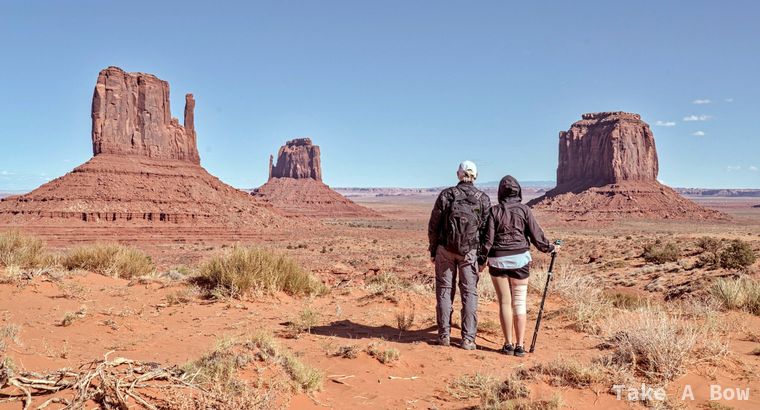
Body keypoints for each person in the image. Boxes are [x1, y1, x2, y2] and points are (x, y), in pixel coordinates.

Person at [479, 175, 558, 357]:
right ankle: (520, 346)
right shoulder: (525, 210)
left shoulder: (494, 211)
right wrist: (551, 248)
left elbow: (487, 241)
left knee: (505, 303)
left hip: (497, 260)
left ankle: (508, 344)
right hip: (520, 261)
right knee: (519, 303)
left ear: (500, 192)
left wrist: (482, 261)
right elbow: (537, 237)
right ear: (518, 191)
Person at [428, 161, 491, 350]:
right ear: (475, 176)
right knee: (469, 293)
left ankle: (444, 336)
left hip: (445, 250)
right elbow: (488, 231)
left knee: (445, 291)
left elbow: (433, 225)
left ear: (458, 174)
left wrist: (433, 250)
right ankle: (468, 339)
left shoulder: (446, 195)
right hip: (470, 253)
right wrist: (482, 257)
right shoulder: (483, 198)